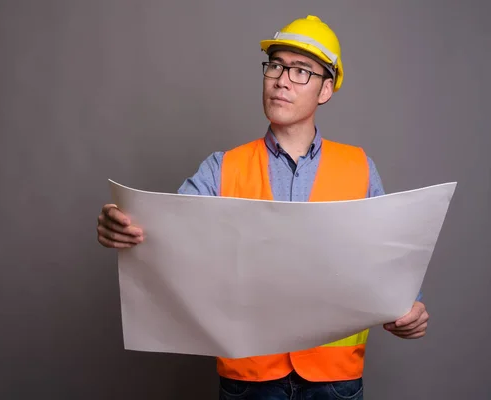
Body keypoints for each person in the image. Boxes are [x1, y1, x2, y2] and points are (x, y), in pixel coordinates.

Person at [97, 14, 429, 400]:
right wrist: (121, 227)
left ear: (326, 90)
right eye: (275, 65)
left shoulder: (358, 166)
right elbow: (165, 235)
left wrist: (411, 307)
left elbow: (388, 257)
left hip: (334, 380)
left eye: (301, 71)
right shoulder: (222, 168)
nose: (282, 79)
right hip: (248, 378)